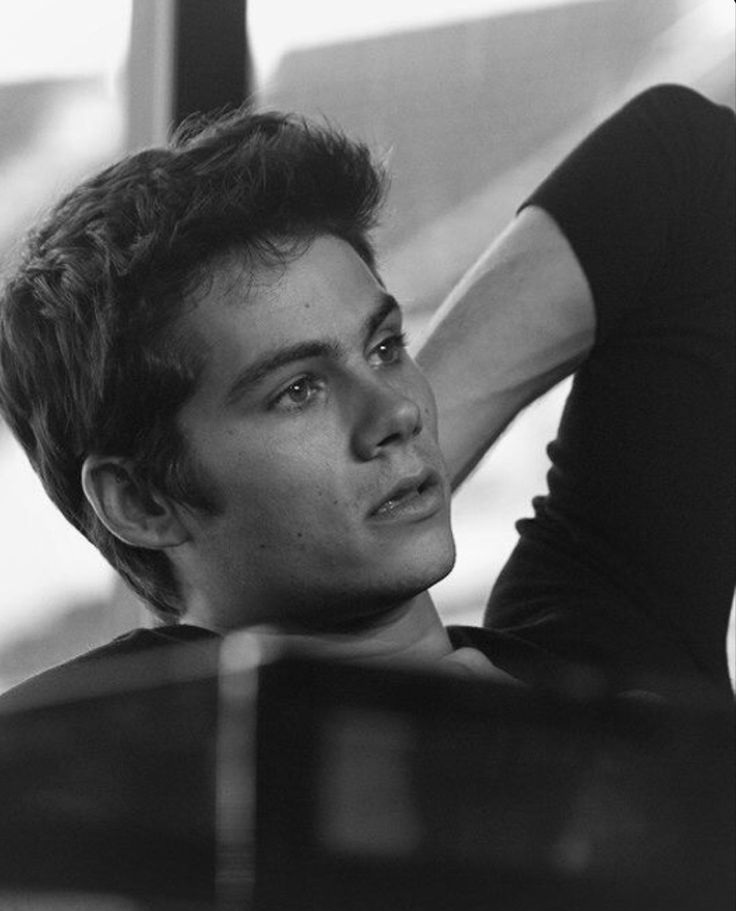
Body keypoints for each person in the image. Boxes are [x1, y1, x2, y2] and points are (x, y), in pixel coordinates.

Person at [0, 83, 732, 710]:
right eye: (297, 390)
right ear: (142, 501)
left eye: (385, 347)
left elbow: (694, 169)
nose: (399, 412)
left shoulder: (604, 655)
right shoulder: (90, 770)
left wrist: (388, 473)